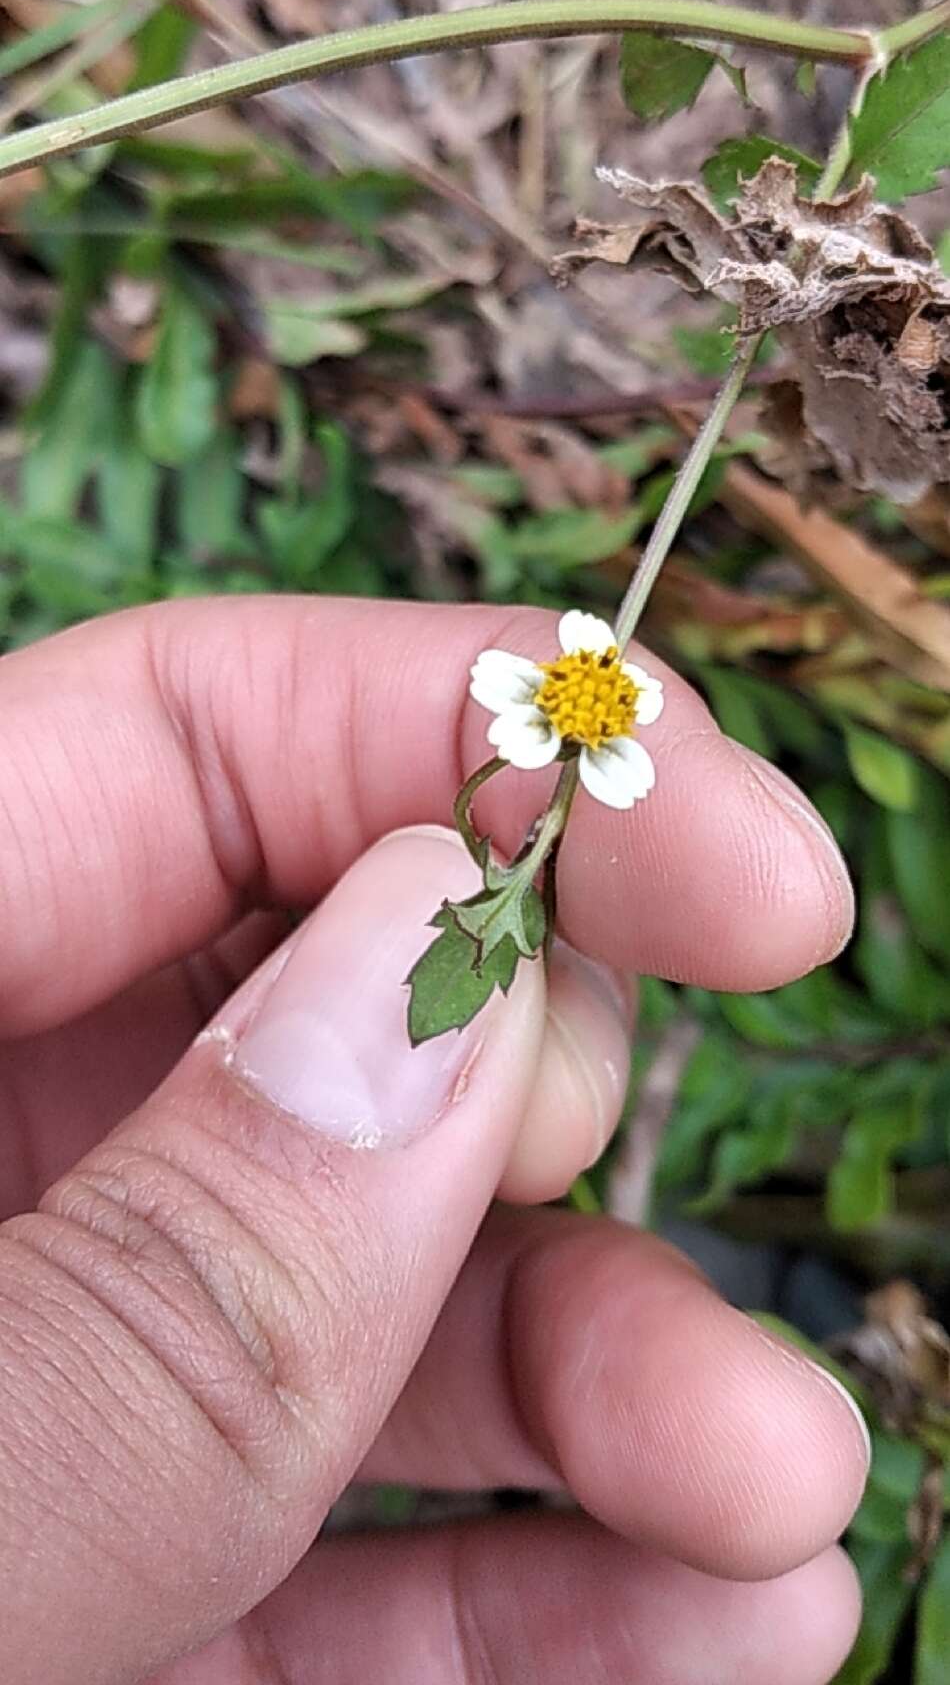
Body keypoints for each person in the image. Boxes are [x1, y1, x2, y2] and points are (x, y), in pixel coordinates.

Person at [0, 595, 869, 1685]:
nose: (594, 702)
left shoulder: (591, 737)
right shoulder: (542, 717)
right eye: (582, 697)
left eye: (596, 703)